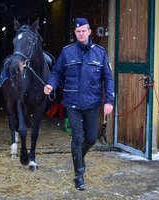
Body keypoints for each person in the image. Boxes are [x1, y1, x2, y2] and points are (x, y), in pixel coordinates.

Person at [44, 18, 114, 190]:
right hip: (72, 103)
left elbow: (108, 78)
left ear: (90, 32)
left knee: (91, 138)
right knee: (77, 138)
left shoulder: (100, 52)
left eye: (84, 30)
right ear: (75, 33)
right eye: (78, 31)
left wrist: (109, 100)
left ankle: (79, 158)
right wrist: (51, 84)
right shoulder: (67, 52)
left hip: (92, 103)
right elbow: (56, 71)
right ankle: (79, 175)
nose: (81, 34)